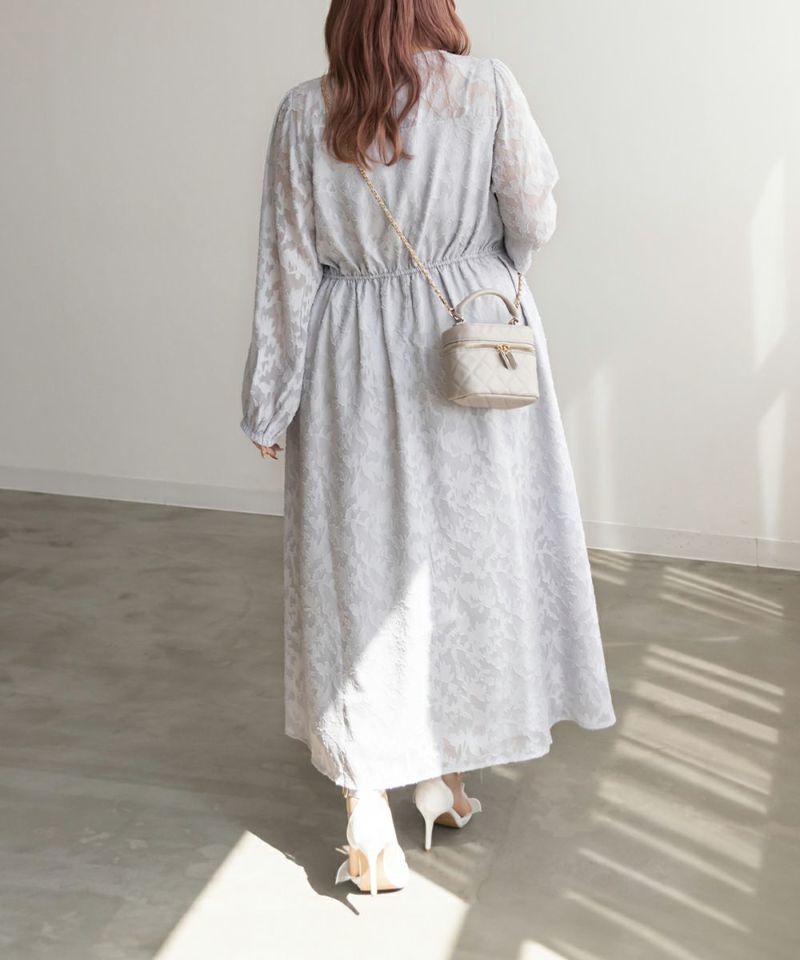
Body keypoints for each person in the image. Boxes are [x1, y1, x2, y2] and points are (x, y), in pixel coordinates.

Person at [240, 0, 616, 897]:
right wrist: (472, 264)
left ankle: (370, 810)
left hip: (352, 356)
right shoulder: (487, 89)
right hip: (468, 344)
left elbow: (288, 266)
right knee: (467, 566)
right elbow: (533, 217)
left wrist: (270, 401)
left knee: (359, 572)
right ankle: (444, 776)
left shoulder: (306, 111)